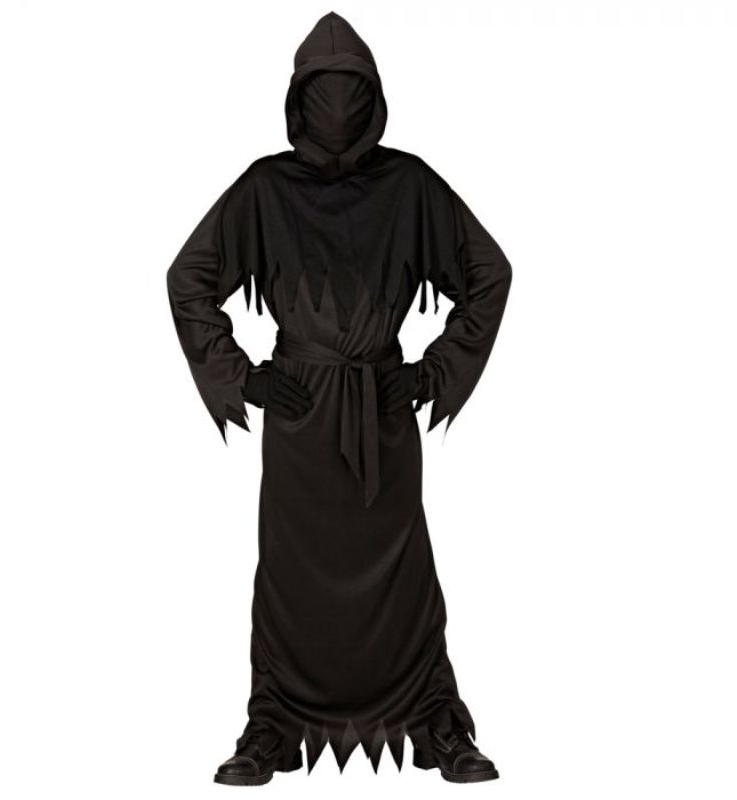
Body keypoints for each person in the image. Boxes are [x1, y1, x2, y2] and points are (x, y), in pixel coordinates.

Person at [166, 11, 512, 786]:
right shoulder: (265, 189)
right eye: (324, 92)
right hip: (300, 415)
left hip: (381, 410)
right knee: (291, 576)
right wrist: (243, 377)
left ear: (373, 96)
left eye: (350, 91)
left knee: (402, 570)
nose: (336, 107)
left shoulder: (410, 186)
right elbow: (189, 278)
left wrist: (428, 375)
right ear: (298, 99)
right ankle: (273, 722)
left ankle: (435, 716)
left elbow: (489, 272)